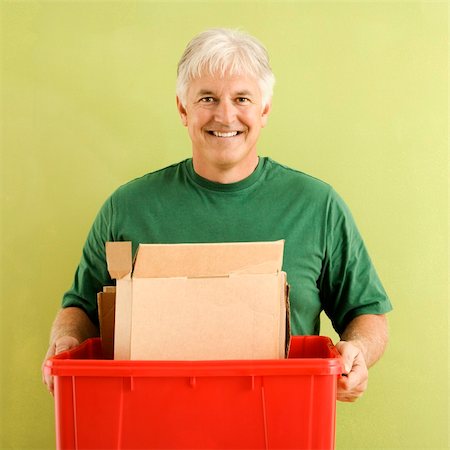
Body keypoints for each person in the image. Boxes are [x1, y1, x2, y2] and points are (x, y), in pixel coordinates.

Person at [42, 28, 392, 401]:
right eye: (207, 98)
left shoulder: (317, 205)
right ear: (183, 109)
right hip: (149, 425)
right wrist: (65, 342)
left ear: (265, 109)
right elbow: (80, 307)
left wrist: (358, 353)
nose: (225, 116)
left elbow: (366, 313)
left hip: (279, 424)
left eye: (242, 98)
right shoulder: (127, 207)